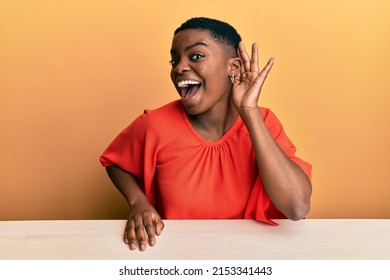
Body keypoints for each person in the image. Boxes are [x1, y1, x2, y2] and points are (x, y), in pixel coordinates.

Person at [100, 17, 312, 252]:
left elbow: (296, 207)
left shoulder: (263, 122)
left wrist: (249, 113)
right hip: (179, 255)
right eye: (174, 59)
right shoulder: (154, 125)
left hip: (252, 253)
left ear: (233, 67)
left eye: (196, 56)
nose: (179, 67)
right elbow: (115, 161)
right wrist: (138, 202)